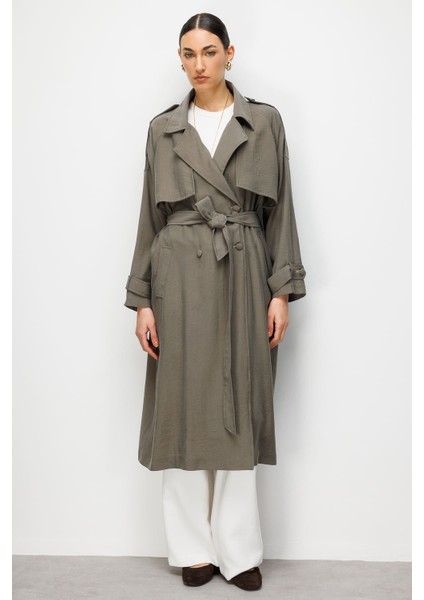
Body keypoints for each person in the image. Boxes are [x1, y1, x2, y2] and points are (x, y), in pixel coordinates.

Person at [124, 12, 307, 592]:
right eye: (188, 54)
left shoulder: (264, 122)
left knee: (237, 404)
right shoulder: (163, 129)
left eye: (209, 51)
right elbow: (149, 218)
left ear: (230, 53)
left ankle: (239, 550)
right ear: (179, 60)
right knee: (181, 409)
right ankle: (191, 551)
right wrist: (143, 300)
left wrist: (281, 290)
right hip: (176, 276)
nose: (198, 64)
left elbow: (282, 212)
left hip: (244, 272)